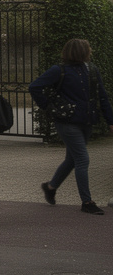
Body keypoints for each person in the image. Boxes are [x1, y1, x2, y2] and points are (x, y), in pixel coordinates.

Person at [29, 38, 113, 215]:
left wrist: (110, 120)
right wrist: (49, 107)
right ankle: (87, 201)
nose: (90, 51)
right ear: (82, 52)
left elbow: (102, 97)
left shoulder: (92, 70)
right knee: (83, 159)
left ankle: (51, 187)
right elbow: (35, 87)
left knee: (72, 159)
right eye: (88, 49)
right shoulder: (58, 71)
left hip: (87, 121)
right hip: (67, 122)